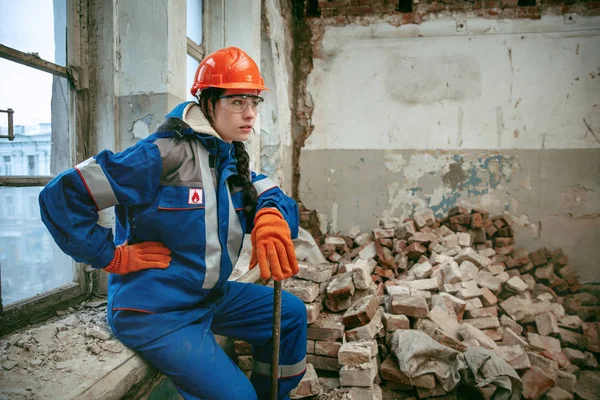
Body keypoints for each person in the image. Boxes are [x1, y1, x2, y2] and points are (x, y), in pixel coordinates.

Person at [39, 47, 307, 400]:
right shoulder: (161, 154)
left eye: (254, 102)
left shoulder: (225, 155)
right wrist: (111, 257)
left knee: (290, 314)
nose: (250, 114)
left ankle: (272, 394)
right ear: (208, 101)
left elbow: (272, 194)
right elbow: (60, 197)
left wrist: (271, 216)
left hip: (207, 296)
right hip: (155, 311)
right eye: (238, 102)